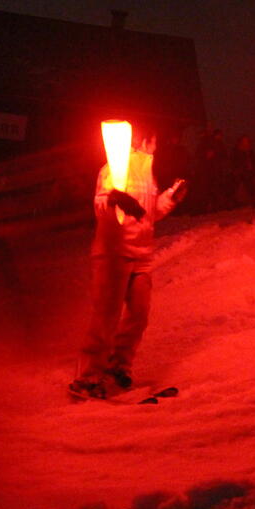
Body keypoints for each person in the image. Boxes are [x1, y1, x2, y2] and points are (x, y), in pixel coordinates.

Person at [69, 126, 187, 400]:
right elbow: (100, 205)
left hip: (141, 255)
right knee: (106, 318)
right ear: (146, 139)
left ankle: (118, 367)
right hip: (113, 253)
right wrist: (113, 199)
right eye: (155, 138)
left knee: (138, 315)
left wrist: (170, 198)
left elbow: (148, 214)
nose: (158, 143)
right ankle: (87, 376)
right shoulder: (114, 166)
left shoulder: (147, 169)